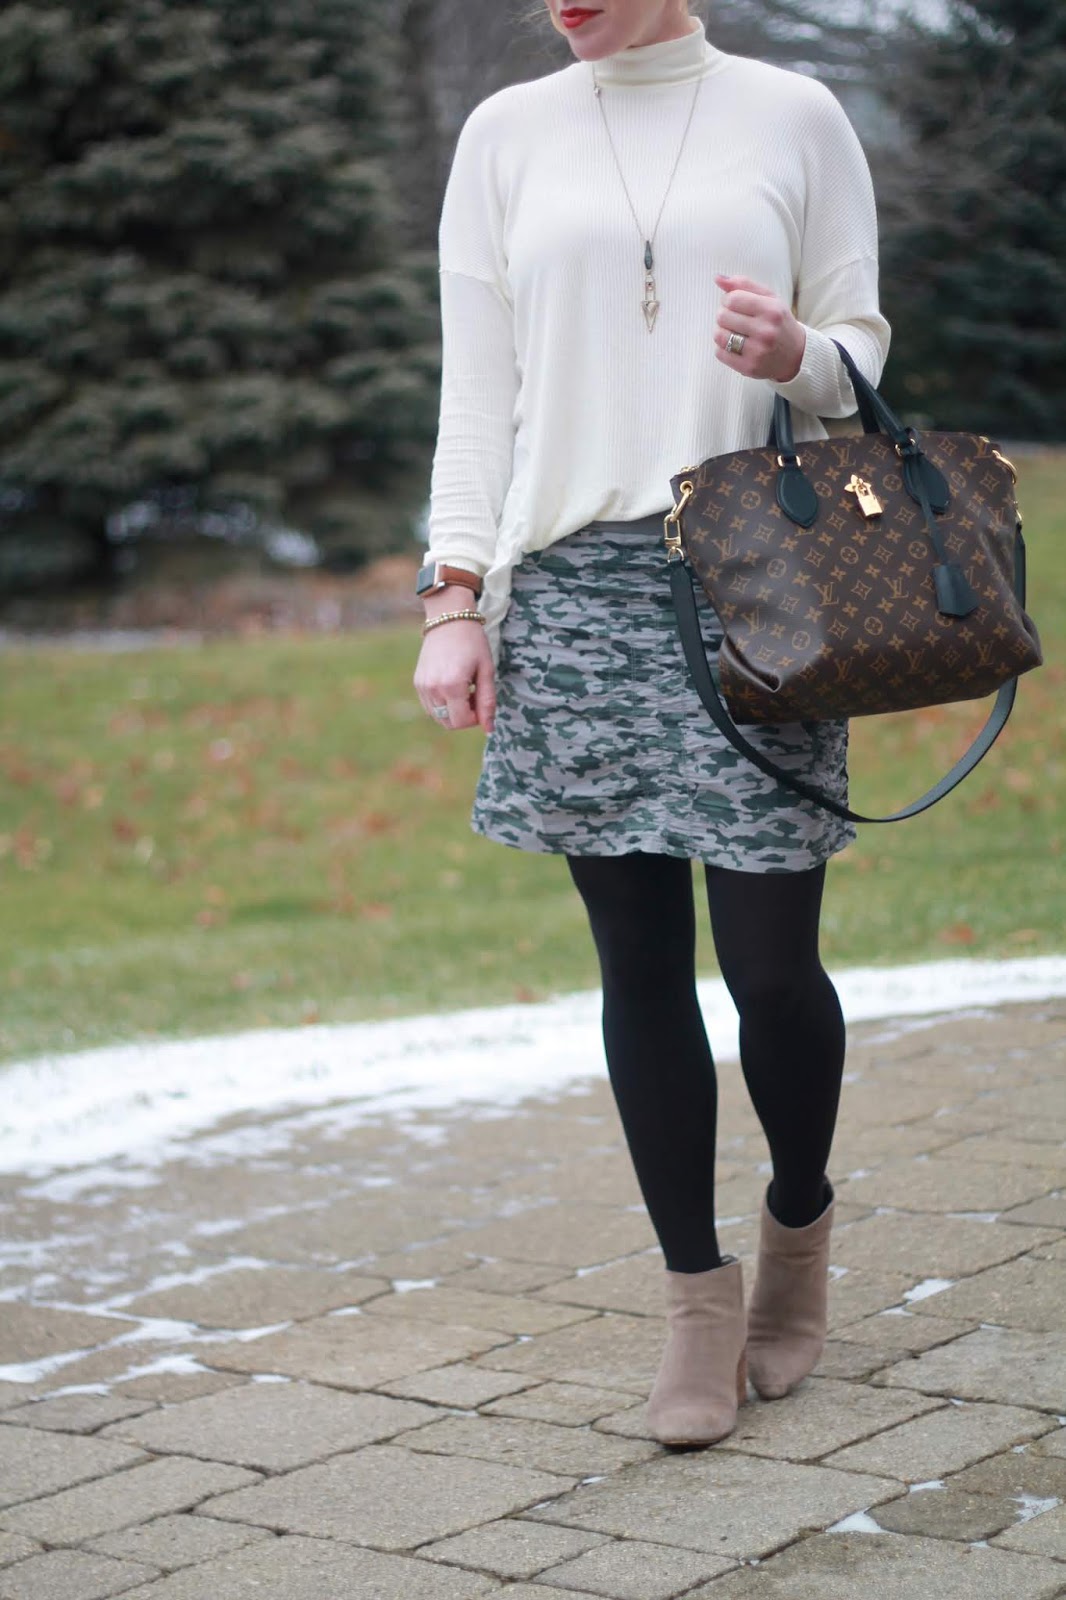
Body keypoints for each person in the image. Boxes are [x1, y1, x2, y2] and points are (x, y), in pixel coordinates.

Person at [413, 0, 890, 1448]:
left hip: (754, 585)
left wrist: (795, 351)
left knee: (769, 968)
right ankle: (695, 1297)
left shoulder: (791, 113)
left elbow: (862, 351)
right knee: (637, 966)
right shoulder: (504, 134)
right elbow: (477, 389)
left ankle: (796, 1228)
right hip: (568, 594)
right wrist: (454, 595)